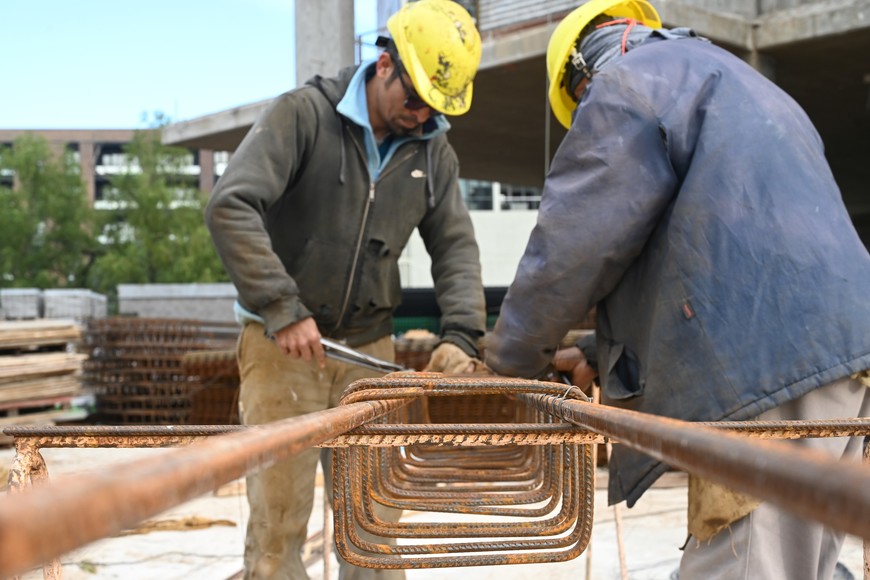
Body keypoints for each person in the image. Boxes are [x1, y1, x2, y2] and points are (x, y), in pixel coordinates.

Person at [484, 0, 870, 578]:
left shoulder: (622, 86)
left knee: (743, 564)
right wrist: (596, 356)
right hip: (844, 353)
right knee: (804, 561)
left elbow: (571, 249)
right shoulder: (740, 81)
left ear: (579, 77)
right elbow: (715, 257)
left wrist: (509, 364)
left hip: (765, 375)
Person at [204, 1, 486, 578]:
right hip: (282, 347)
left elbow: (455, 247)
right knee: (279, 525)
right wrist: (282, 307)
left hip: (367, 354)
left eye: (435, 107)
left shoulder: (433, 153)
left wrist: (461, 334)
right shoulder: (304, 116)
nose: (421, 115)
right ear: (386, 64)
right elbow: (230, 206)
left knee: (375, 524)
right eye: (415, 99)